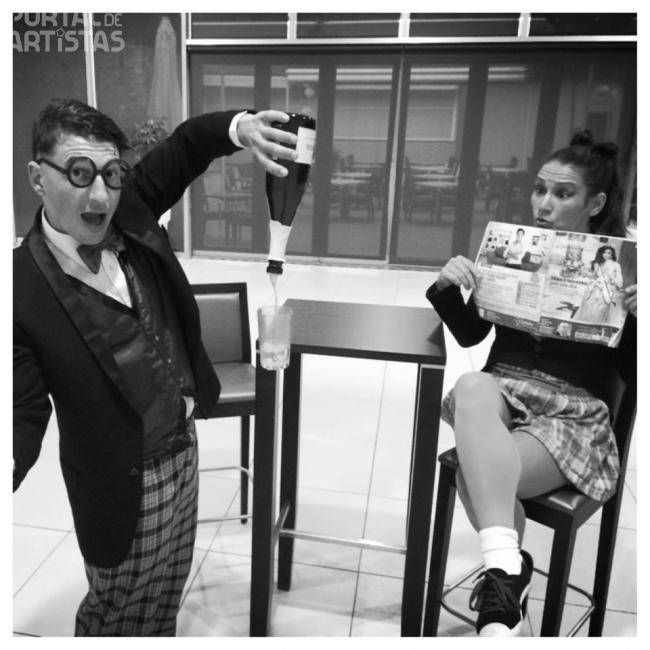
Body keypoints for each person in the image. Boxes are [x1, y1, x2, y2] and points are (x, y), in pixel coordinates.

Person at [13, 98, 299, 636]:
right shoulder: (20, 288)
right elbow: (19, 410)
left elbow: (187, 146)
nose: (101, 195)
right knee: (116, 614)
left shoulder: (132, 206)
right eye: (79, 173)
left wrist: (240, 127)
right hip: (120, 483)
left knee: (165, 599)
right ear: (37, 177)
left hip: (183, 449)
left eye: (112, 174)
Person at [426, 130, 637, 637]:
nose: (544, 204)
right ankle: (506, 571)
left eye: (563, 194)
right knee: (472, 385)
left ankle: (506, 573)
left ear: (595, 204)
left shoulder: (624, 271)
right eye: (540, 190)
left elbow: (633, 375)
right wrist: (448, 285)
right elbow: (473, 334)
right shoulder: (516, 248)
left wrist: (639, 318)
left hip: (572, 411)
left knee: (476, 473)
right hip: (502, 393)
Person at [574, 244, 624, 323]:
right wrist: (585, 273)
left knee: (600, 312)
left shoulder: (616, 265)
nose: (606, 254)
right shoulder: (597, 263)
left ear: (612, 255)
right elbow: (594, 276)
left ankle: (595, 328)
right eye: (604, 252)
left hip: (606, 292)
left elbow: (620, 284)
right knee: (587, 310)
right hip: (593, 291)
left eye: (609, 253)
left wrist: (611, 276)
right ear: (601, 253)